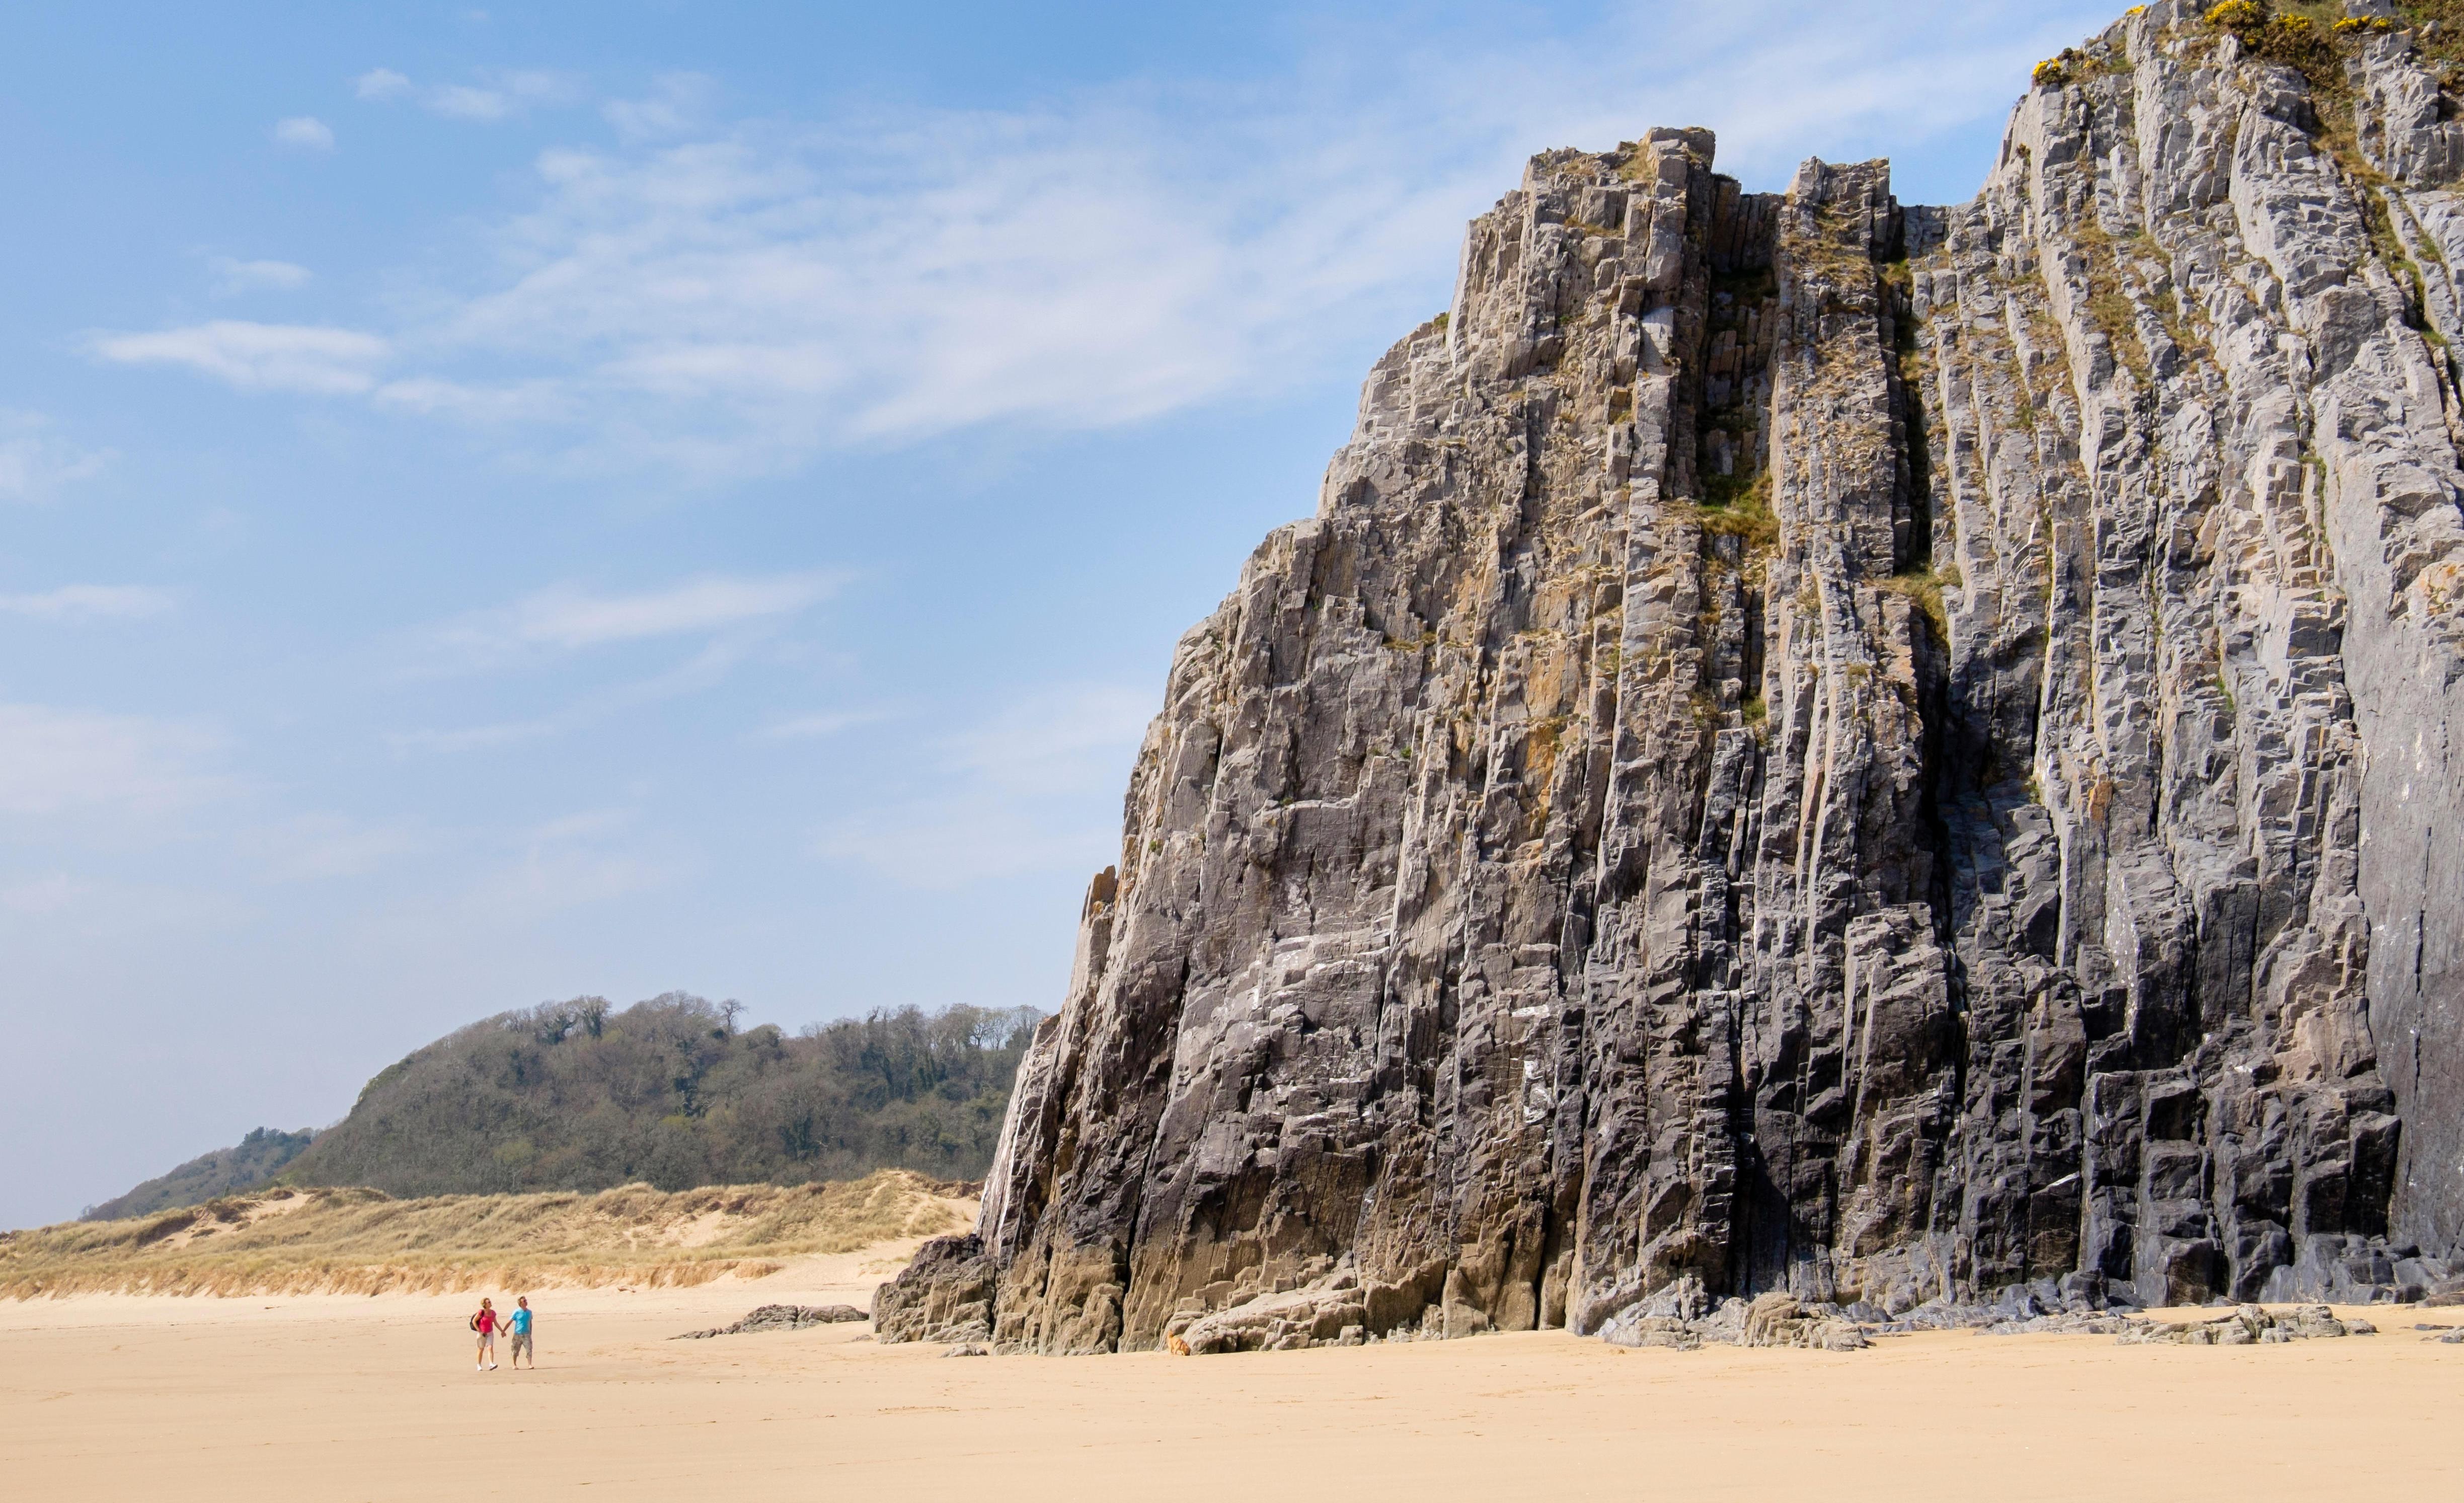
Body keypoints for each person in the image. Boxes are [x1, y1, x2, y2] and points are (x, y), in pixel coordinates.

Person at [470, 1297, 501, 1370]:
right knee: (481, 1349)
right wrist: (479, 1330)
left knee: (490, 1348)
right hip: (481, 1334)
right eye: (489, 1302)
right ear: (485, 1304)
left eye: (490, 1301)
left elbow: (496, 1323)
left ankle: (491, 1364)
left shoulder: (493, 1313)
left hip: (490, 1333)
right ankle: (479, 1365)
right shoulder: (481, 1312)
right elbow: (474, 1321)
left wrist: (502, 1331)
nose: (490, 1303)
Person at [506, 1296, 535, 1369]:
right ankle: (515, 1364)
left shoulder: (530, 1312)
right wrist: (503, 1331)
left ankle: (530, 1364)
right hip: (518, 1334)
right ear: (521, 1303)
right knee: (515, 1350)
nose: (526, 1302)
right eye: (524, 1301)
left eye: (526, 1300)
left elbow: (530, 1323)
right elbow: (510, 1322)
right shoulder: (517, 1312)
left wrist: (530, 1332)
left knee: (529, 1349)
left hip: (527, 1334)